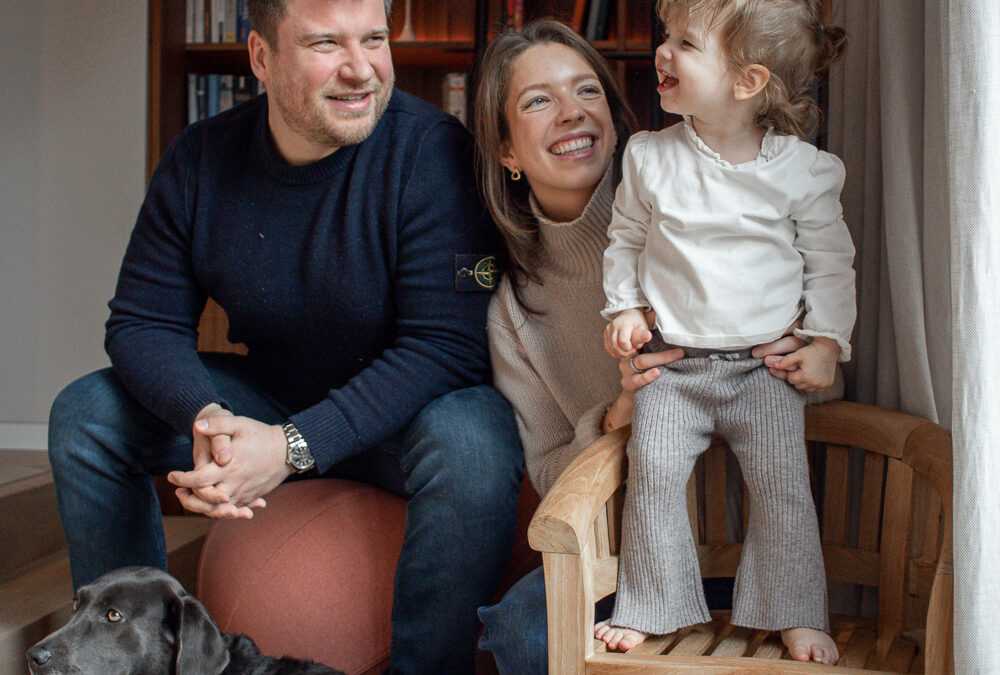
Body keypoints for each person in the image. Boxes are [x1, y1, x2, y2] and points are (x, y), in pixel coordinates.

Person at [45, 0, 524, 672]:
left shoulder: (432, 151)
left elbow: (446, 347)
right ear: (262, 58)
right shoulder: (201, 158)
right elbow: (142, 321)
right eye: (326, 43)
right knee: (85, 415)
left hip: (406, 418)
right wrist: (205, 417)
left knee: (476, 436)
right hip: (268, 399)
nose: (361, 69)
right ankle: (128, 658)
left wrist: (293, 446)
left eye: (374, 39)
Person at [472, 18, 842, 674]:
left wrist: (797, 351)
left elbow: (826, 371)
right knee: (524, 633)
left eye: (587, 90)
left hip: (751, 545)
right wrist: (619, 412)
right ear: (505, 150)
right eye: (538, 100)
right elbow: (550, 472)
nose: (571, 112)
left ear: (616, 118)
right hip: (627, 563)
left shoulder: (718, 207)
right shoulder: (514, 310)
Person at [596, 0, 853, 665]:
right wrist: (625, 309)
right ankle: (651, 604)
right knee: (653, 475)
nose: (663, 51)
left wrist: (826, 342)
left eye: (686, 43)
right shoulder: (651, 157)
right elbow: (626, 240)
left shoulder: (801, 170)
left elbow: (830, 263)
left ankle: (794, 611)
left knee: (781, 488)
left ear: (748, 81)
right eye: (666, 36)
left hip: (763, 371)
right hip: (672, 369)